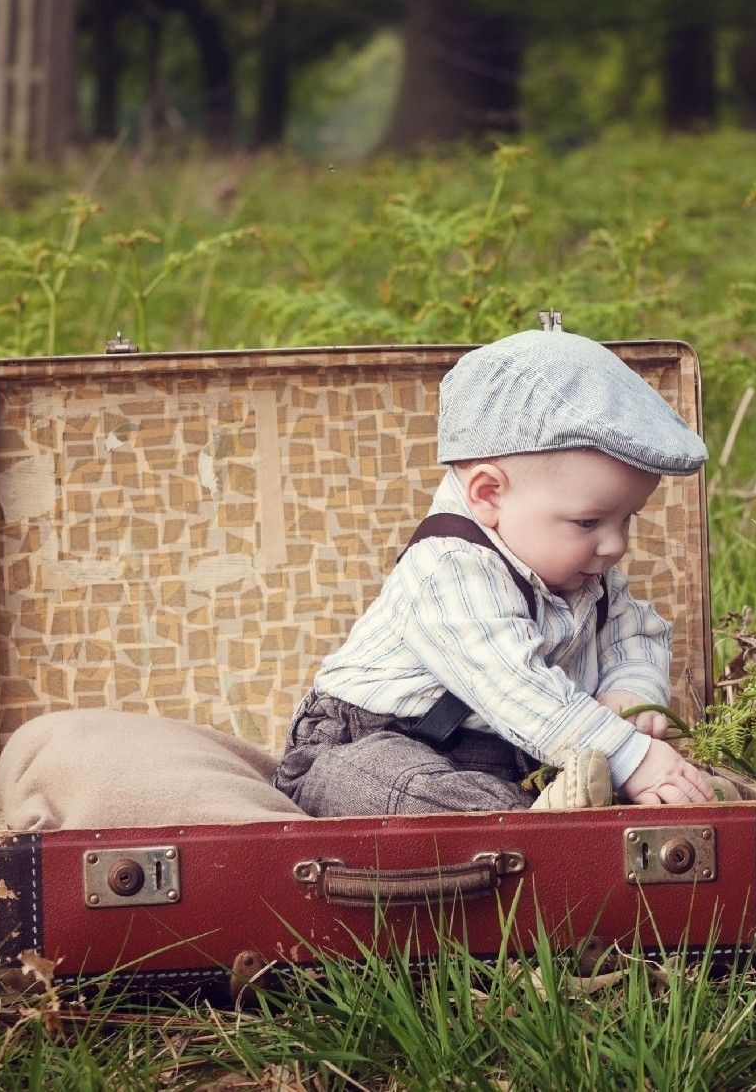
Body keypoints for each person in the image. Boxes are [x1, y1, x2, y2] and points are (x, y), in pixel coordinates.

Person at [276, 328, 718, 816]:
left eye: (627, 518)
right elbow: (513, 683)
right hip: (373, 740)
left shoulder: (585, 574)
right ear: (489, 495)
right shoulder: (447, 570)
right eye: (590, 522)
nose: (615, 545)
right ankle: (531, 820)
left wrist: (631, 690)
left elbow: (637, 631)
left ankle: (536, 814)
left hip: (503, 758)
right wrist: (629, 757)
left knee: (495, 790)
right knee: (372, 783)